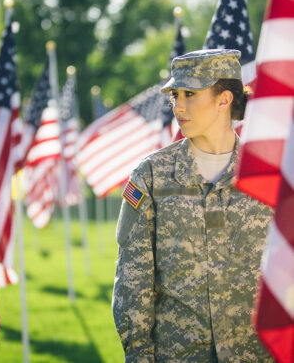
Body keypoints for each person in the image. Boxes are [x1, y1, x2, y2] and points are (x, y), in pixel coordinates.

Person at [112, 49, 273, 362]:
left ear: (224, 100)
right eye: (175, 95)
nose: (178, 106)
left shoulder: (266, 173)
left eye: (190, 94)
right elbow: (133, 287)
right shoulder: (152, 177)